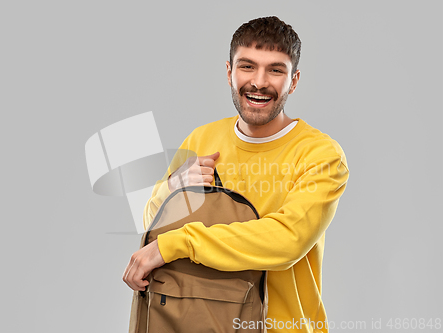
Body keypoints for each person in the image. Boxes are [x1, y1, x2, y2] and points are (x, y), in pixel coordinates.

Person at [123, 16, 349, 333]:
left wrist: (178, 244)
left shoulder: (320, 155)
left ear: (294, 81)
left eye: (275, 69)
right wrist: (173, 188)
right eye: (247, 66)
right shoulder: (201, 139)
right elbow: (155, 222)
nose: (259, 81)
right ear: (229, 72)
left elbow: (286, 241)